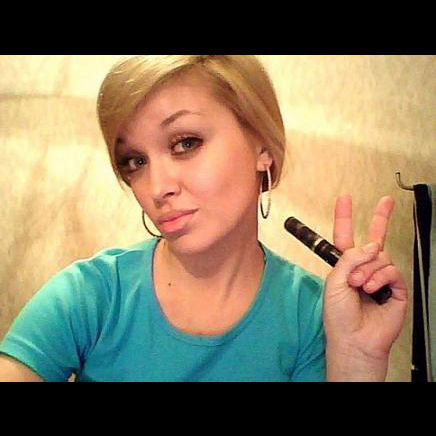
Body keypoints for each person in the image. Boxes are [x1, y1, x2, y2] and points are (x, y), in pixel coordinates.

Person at [0, 55, 408, 382]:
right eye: (135, 161)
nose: (156, 187)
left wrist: (357, 361)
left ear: (262, 147)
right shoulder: (89, 295)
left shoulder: (315, 315)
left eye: (185, 143)